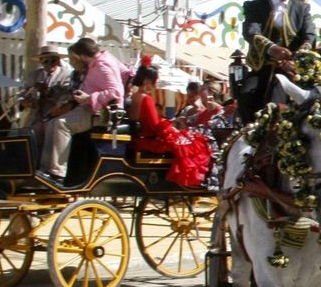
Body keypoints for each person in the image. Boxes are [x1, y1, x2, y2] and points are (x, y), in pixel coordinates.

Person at [239, 0, 318, 124]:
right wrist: (272, 49)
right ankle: (249, 134)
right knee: (245, 96)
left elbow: (310, 35)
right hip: (263, 68)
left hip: (293, 70)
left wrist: (296, 58)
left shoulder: (302, 9)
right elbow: (251, 32)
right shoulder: (254, 7)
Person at [39, 36, 127, 185]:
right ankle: (46, 169)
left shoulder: (101, 66)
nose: (73, 62)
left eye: (74, 58)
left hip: (101, 113)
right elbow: (125, 73)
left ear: (82, 56)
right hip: (91, 108)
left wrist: (89, 98)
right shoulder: (103, 61)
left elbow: (116, 92)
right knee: (52, 123)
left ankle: (57, 172)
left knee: (61, 124)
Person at [128, 64, 214, 188]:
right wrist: (172, 128)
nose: (157, 83)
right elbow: (155, 125)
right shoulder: (146, 98)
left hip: (139, 138)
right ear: (147, 81)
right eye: (155, 80)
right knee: (195, 145)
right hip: (149, 140)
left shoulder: (135, 96)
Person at [16, 43, 73, 163]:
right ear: (41, 61)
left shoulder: (67, 75)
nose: (50, 64)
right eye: (46, 61)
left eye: (53, 60)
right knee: (29, 140)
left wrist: (47, 92)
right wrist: (25, 102)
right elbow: (21, 95)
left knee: (50, 143)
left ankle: (47, 168)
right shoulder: (33, 75)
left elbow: (66, 97)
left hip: (54, 116)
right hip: (35, 117)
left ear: (58, 61)